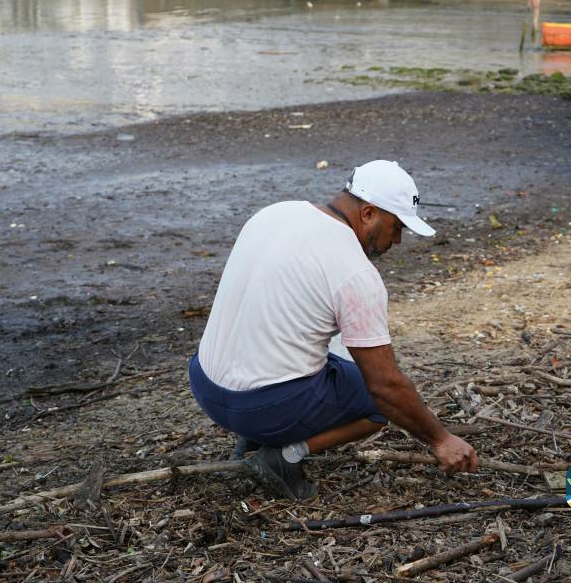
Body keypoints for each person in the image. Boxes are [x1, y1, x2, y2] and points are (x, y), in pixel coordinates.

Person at [188, 160, 479, 500]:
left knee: (341, 342)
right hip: (259, 407)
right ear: (369, 213)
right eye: (397, 227)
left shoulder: (276, 213)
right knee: (381, 402)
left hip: (205, 384)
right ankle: (283, 456)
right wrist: (441, 439)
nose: (397, 241)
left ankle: (256, 436)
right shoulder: (355, 273)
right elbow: (386, 388)